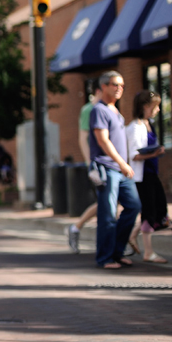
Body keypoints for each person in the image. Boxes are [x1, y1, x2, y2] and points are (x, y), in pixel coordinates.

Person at [88, 71, 141, 269]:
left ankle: (117, 253)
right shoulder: (99, 110)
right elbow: (103, 140)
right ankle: (105, 258)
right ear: (103, 87)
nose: (119, 88)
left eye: (122, 85)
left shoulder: (115, 111)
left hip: (120, 170)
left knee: (133, 206)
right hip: (108, 168)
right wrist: (122, 163)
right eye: (114, 84)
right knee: (108, 214)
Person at [125, 90, 172, 263]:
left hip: (152, 173)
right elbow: (134, 155)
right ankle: (148, 252)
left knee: (160, 211)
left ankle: (133, 235)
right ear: (145, 106)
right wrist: (154, 154)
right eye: (156, 106)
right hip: (142, 176)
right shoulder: (134, 127)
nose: (159, 110)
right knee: (149, 211)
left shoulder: (148, 124)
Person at [67, 83, 102, 253]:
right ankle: (76, 227)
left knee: (108, 202)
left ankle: (77, 228)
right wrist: (90, 164)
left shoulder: (107, 109)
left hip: (108, 163)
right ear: (99, 90)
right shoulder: (89, 109)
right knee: (105, 201)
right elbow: (83, 138)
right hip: (97, 163)